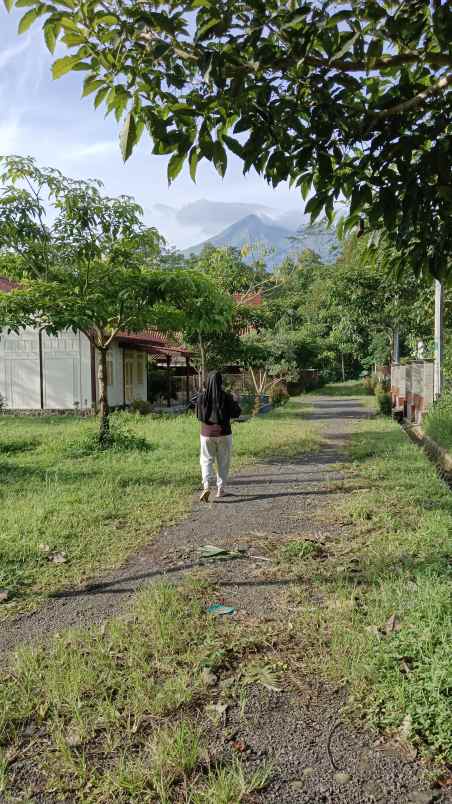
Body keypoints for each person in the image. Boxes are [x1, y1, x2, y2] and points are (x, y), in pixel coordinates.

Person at [195, 371, 241, 502]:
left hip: (206, 434)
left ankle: (206, 486)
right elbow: (236, 413)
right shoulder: (227, 397)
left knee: (206, 460)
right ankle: (220, 490)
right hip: (224, 434)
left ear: (207, 381)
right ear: (221, 382)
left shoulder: (201, 397)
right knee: (223, 462)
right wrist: (236, 400)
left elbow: (198, 416)